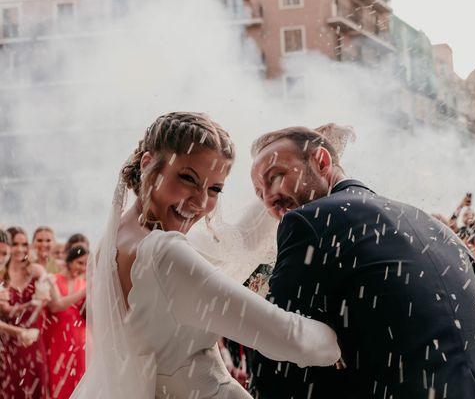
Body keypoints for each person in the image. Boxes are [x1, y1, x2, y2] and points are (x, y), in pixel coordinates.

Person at [70, 112, 340, 399]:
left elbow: (238, 241)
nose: (200, 202)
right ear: (148, 164)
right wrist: (352, 336)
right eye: (187, 178)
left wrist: (300, 165)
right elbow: (289, 338)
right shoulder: (164, 255)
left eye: (214, 189)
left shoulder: (116, 239)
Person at [249, 126, 475, 399]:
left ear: (322, 161)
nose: (269, 198)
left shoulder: (308, 222)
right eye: (259, 193)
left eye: (276, 176)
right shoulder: (438, 228)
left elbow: (276, 355)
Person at [1, 226, 51, 399]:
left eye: (24, 244)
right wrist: (29, 304)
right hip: (8, 343)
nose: (20, 249)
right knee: (11, 388)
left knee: (36, 386)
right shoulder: (1, 274)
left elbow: (45, 299)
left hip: (34, 341)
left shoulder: (36, 271)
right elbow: (6, 312)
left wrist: (43, 294)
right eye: (15, 244)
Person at [45, 245, 88, 399]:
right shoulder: (53, 279)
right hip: (57, 339)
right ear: (69, 262)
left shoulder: (84, 282)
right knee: (56, 377)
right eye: (79, 263)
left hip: (79, 340)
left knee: (77, 379)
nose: (83, 267)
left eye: (85, 264)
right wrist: (83, 292)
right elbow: (55, 306)